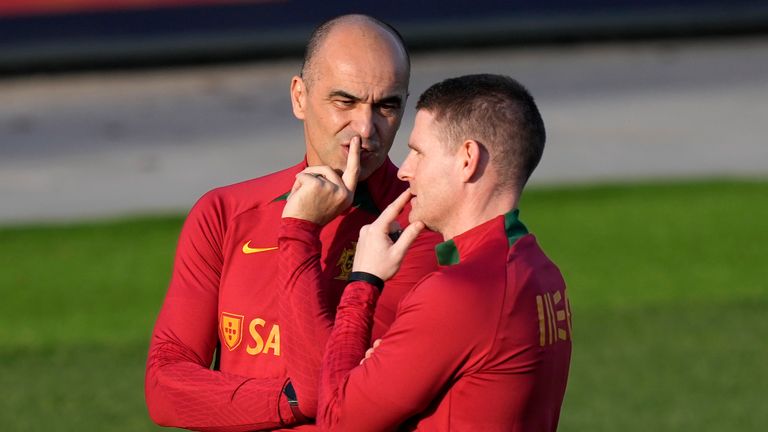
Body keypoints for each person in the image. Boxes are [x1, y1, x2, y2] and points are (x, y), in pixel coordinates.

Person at [144, 15, 440, 431]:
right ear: (300, 97)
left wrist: (298, 228)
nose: (364, 129)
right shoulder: (224, 213)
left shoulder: (423, 229)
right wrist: (288, 400)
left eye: (386, 106)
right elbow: (164, 387)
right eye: (345, 101)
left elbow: (343, 400)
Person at [300, 74, 573, 431]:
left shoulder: (460, 294)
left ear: (467, 159)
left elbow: (337, 421)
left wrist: (363, 280)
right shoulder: (543, 272)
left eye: (418, 152)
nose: (406, 171)